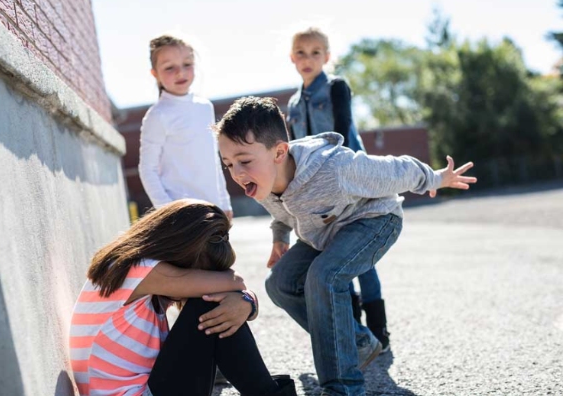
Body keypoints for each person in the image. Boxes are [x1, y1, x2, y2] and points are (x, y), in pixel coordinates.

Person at [214, 97, 476, 396]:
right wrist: (279, 238)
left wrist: (436, 177)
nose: (236, 172)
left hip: (374, 221)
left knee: (324, 277)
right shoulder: (262, 181)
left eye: (244, 160)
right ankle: (358, 342)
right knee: (280, 284)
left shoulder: (334, 168)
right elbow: (283, 213)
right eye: (228, 164)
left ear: (279, 152)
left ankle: (343, 387)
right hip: (325, 233)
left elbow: (395, 170)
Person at [69, 199, 297, 396]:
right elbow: (235, 283)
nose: (199, 278)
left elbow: (236, 290)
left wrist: (247, 302)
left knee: (215, 303)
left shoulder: (132, 269)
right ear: (181, 248)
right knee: (207, 303)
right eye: (200, 272)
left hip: (143, 389)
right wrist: (245, 299)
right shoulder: (139, 270)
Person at [286, 27, 389, 349]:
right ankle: (357, 334)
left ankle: (379, 331)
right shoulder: (291, 103)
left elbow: (343, 132)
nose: (308, 58)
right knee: (335, 257)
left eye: (316, 52)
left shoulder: (336, 87)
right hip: (316, 192)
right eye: (301, 52)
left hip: (351, 182)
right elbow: (294, 149)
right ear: (292, 58)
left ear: (327, 57)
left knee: (362, 258)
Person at [139, 34, 232, 220]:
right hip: (182, 215)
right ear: (155, 73)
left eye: (187, 64)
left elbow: (213, 160)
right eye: (169, 67)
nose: (180, 73)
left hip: (213, 209)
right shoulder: (158, 115)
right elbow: (147, 169)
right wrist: (168, 211)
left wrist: (224, 202)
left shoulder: (205, 107)